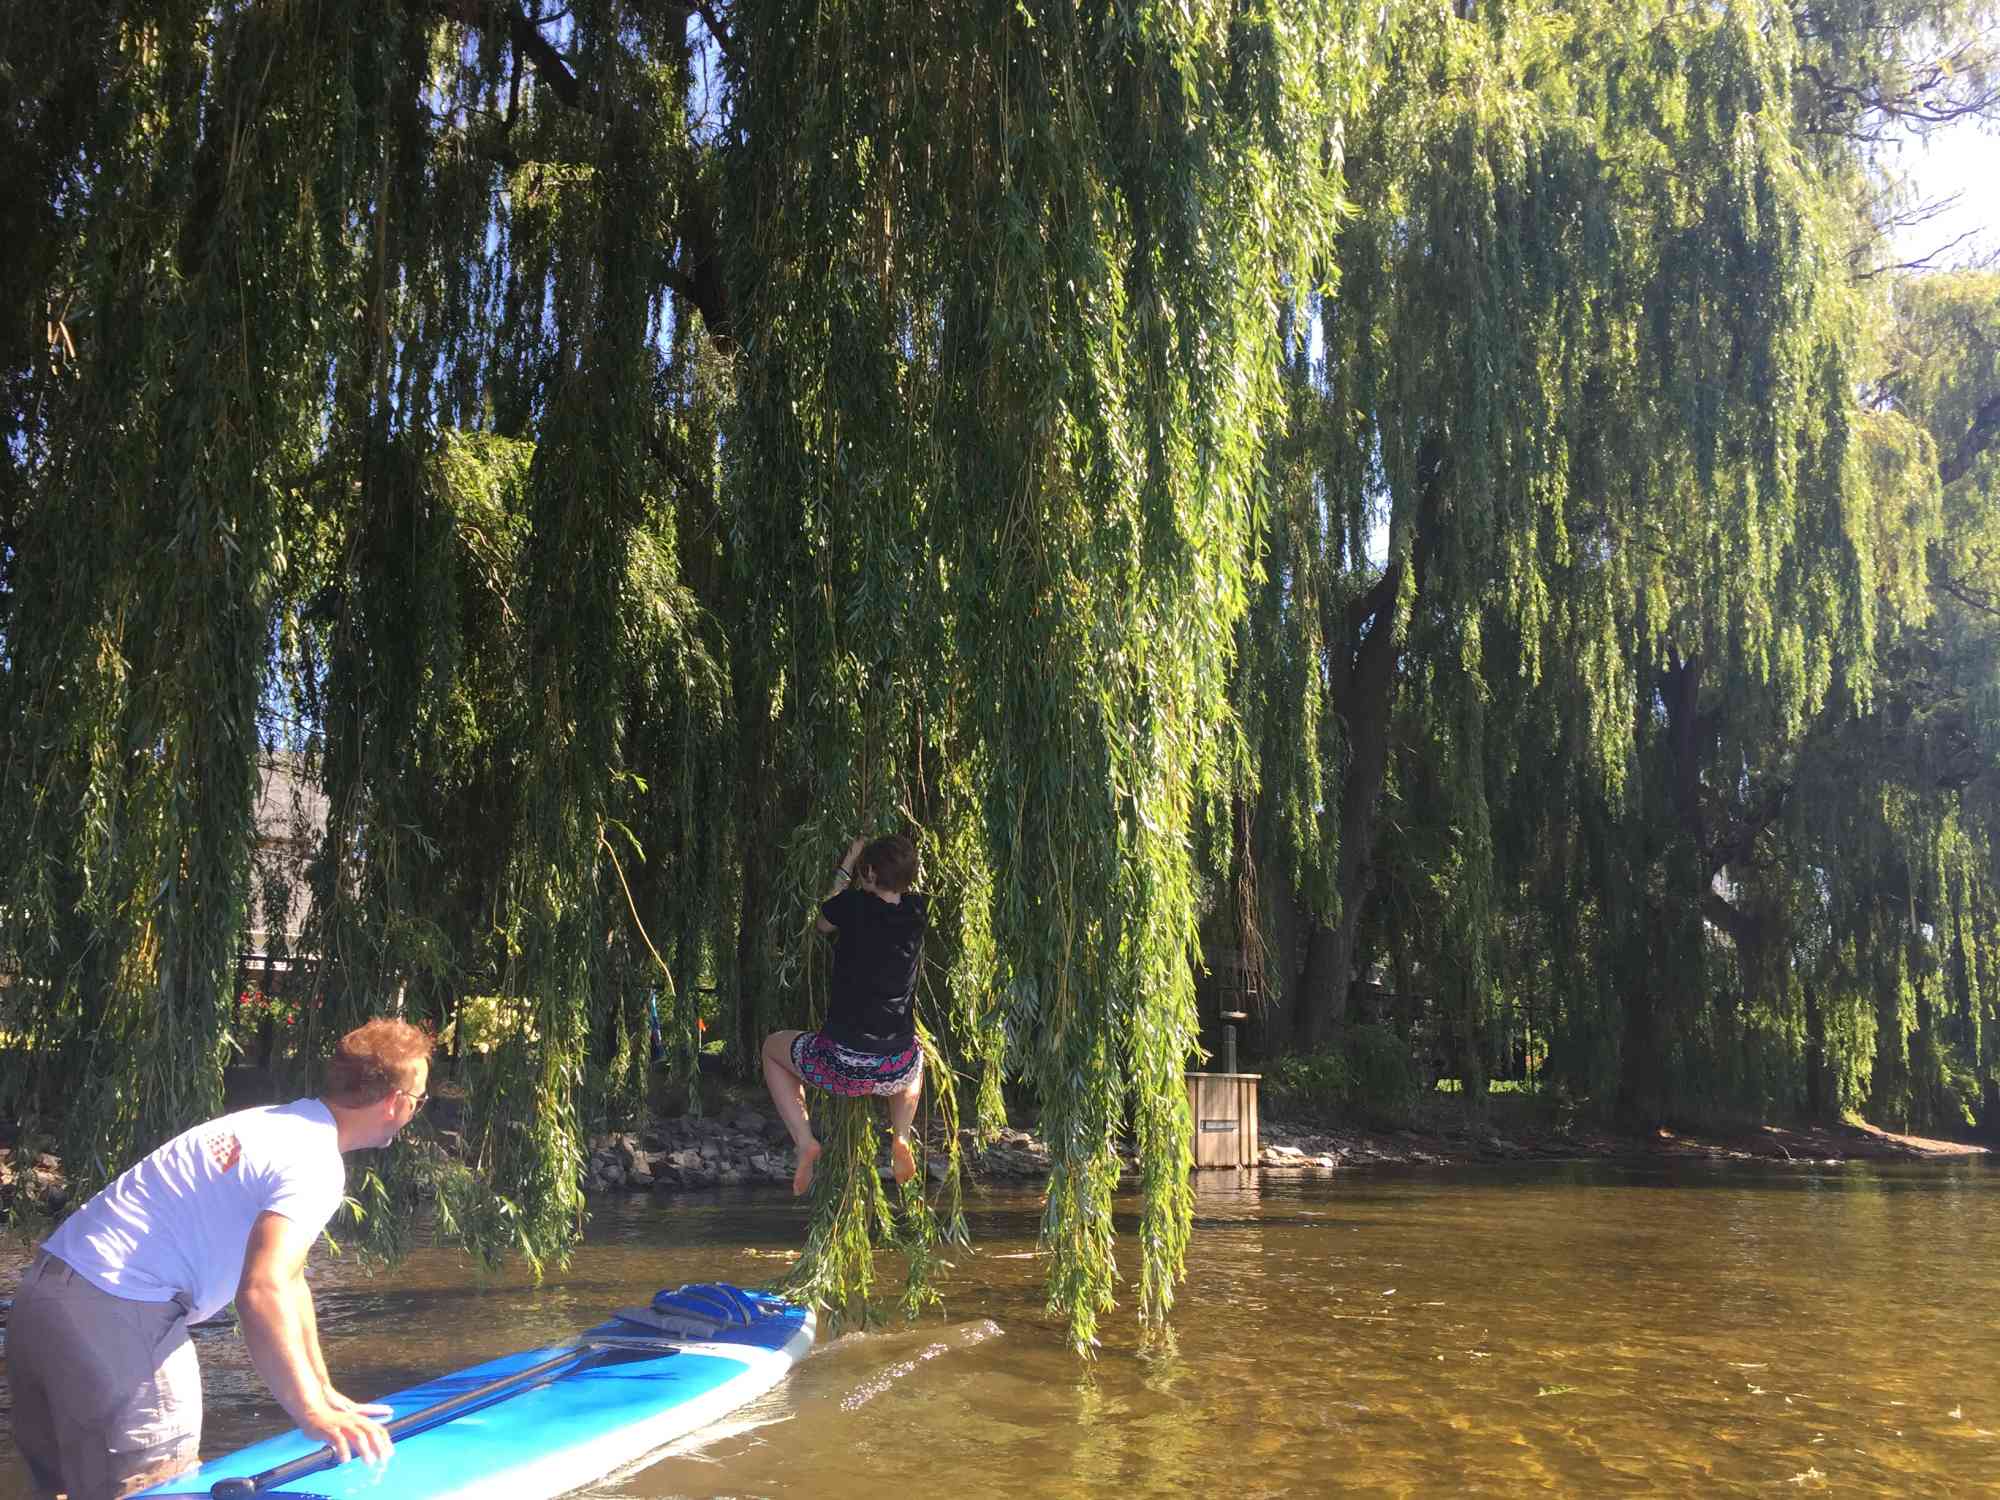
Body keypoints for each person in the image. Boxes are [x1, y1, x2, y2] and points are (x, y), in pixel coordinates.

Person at [5, 1017, 433, 1499]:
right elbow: (262, 1290)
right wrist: (311, 1413)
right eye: (419, 1100)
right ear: (396, 1102)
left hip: (43, 1297)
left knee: (58, 1488)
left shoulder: (269, 1123)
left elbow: (291, 1281)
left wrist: (322, 1388)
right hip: (119, 1314)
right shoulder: (315, 1164)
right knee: (156, 1487)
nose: (415, 1110)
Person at [763, 833, 928, 1196]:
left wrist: (847, 863)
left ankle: (805, 1141)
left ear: (869, 873)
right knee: (917, 1056)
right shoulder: (917, 911)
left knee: (772, 1048)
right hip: (895, 1067)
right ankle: (901, 1135)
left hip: (840, 1064)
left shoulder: (851, 905)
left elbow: (822, 922)